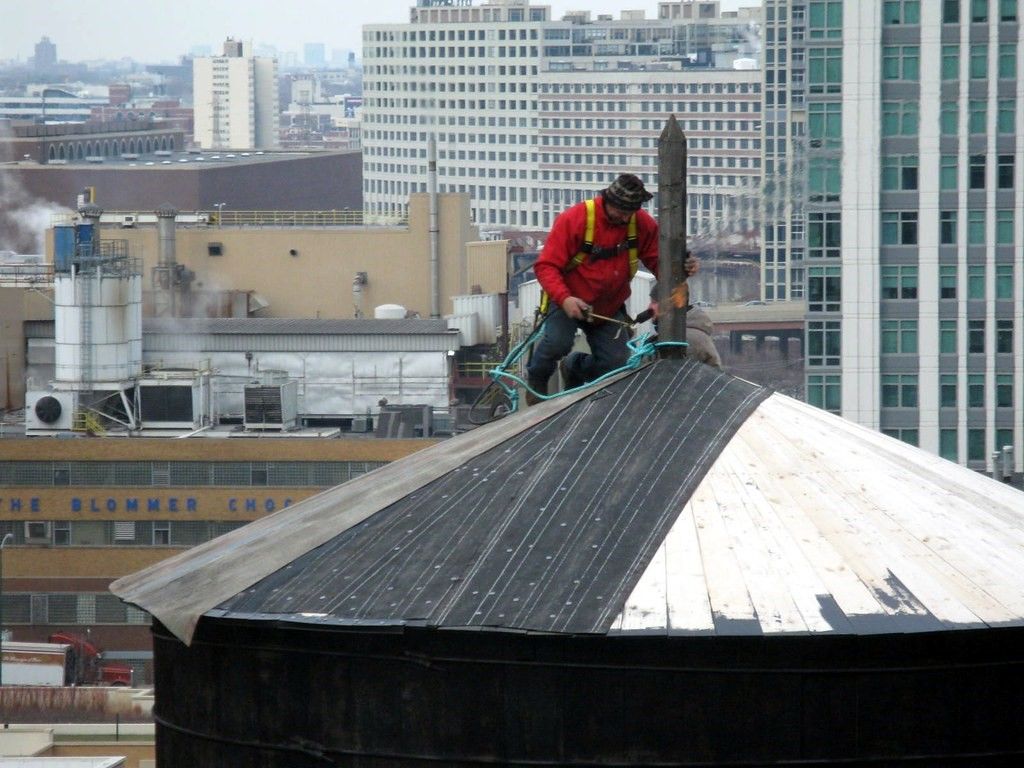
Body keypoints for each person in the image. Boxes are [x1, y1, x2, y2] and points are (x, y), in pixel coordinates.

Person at [525, 173, 698, 402]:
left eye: (629, 212)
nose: (624, 217)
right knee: (557, 343)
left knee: (617, 366)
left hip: (607, 307)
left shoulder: (641, 224)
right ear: (607, 201)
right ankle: (537, 378)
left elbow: (659, 262)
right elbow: (546, 266)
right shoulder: (576, 219)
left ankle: (575, 367)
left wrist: (681, 271)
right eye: (620, 211)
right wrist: (565, 299)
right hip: (567, 299)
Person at [643, 281, 722, 368]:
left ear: (670, 305)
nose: (649, 307)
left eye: (654, 302)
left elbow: (665, 377)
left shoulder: (682, 340)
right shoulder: (685, 336)